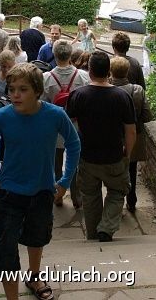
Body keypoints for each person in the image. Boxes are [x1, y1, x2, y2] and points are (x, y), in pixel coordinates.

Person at [0, 63, 81, 300]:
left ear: (37, 91)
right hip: (8, 192)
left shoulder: (54, 115)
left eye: (23, 89)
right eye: (12, 88)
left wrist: (65, 180)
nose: (15, 94)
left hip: (42, 190)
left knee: (37, 237)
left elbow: (74, 142)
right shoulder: (1, 116)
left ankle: (35, 276)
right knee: (6, 248)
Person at [65, 52, 136, 242]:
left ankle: (93, 234)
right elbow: (130, 131)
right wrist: (127, 154)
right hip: (114, 155)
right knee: (118, 191)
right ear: (109, 71)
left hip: (87, 156)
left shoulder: (78, 95)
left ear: (89, 71)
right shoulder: (122, 96)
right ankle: (106, 227)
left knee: (90, 196)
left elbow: (67, 125)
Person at [42, 40, 90, 208]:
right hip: (76, 127)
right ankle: (76, 197)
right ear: (70, 55)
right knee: (75, 161)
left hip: (54, 129)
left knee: (55, 163)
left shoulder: (46, 78)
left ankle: (57, 195)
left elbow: (42, 105)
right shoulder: (83, 77)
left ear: (54, 55)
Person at [109, 56, 152, 214]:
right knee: (131, 168)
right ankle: (131, 200)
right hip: (133, 135)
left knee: (112, 170)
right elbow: (147, 115)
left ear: (111, 71)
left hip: (112, 136)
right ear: (127, 71)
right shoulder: (137, 90)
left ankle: (115, 202)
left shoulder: (106, 89)